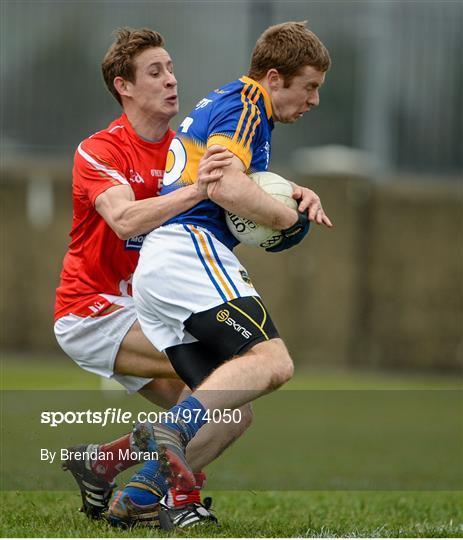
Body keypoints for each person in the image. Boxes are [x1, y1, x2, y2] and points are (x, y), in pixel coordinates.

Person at [92, 20, 333, 527]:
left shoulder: (230, 104)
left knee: (230, 411)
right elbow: (224, 185)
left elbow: (238, 175)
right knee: (273, 363)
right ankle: (173, 432)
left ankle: (137, 491)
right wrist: (288, 221)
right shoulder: (248, 103)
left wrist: (292, 190)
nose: (313, 100)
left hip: (162, 264)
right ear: (273, 77)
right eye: (309, 87)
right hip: (188, 248)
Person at [54, 27, 253, 529]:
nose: (172, 80)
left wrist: (294, 198)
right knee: (218, 379)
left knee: (229, 410)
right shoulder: (98, 151)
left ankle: (104, 464)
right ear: (124, 86)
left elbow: (241, 196)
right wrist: (196, 191)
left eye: (171, 68)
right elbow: (124, 220)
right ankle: (172, 499)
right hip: (93, 310)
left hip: (148, 311)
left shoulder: (186, 150)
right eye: (155, 71)